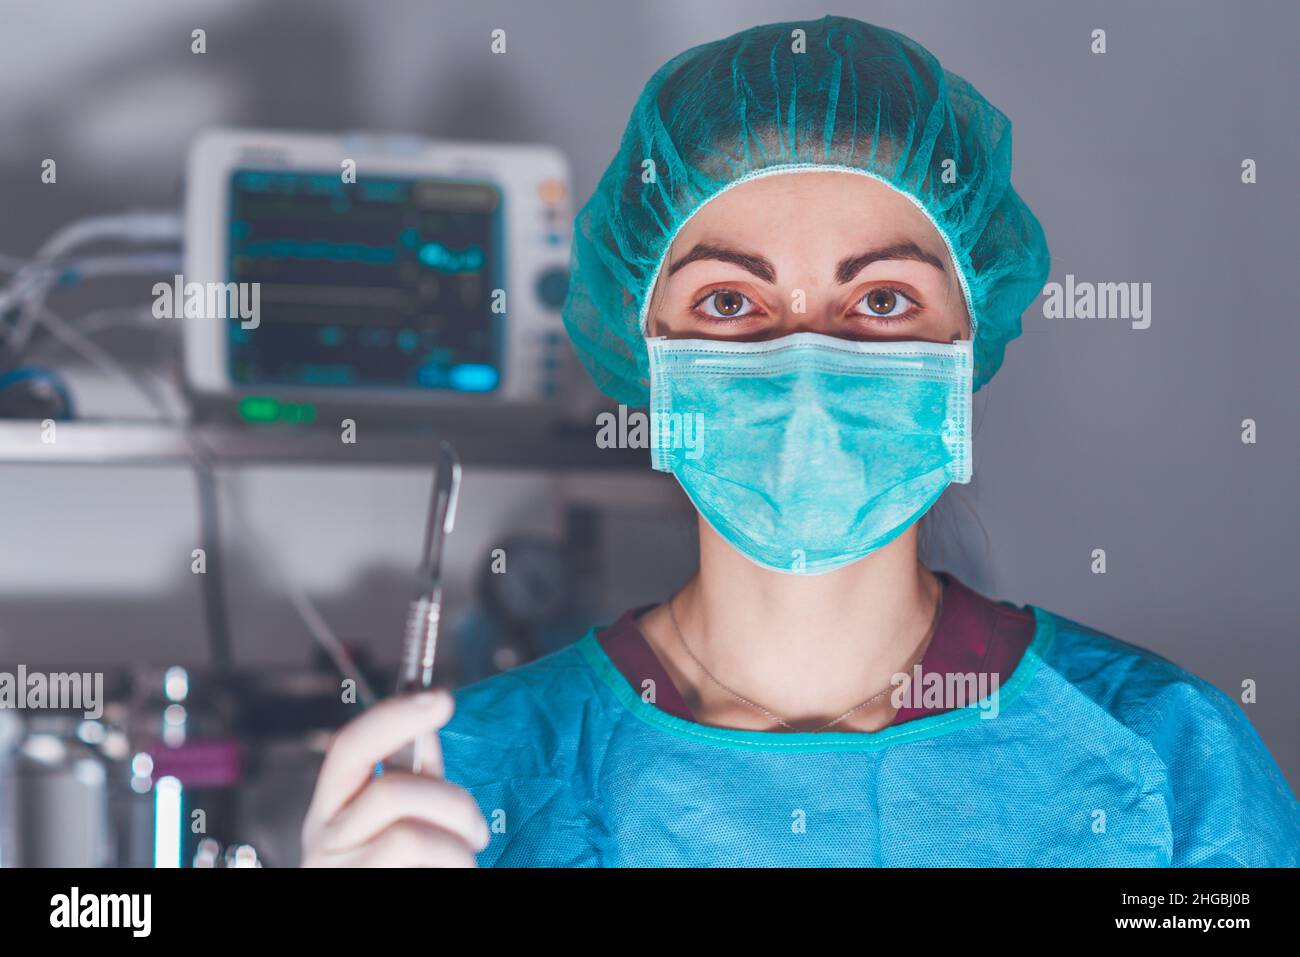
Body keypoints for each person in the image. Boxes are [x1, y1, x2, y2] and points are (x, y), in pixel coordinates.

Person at [301, 15, 1300, 867]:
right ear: (645, 353)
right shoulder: (464, 785)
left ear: (966, 345)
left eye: (881, 299)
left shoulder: (1164, 763)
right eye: (730, 301)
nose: (808, 362)